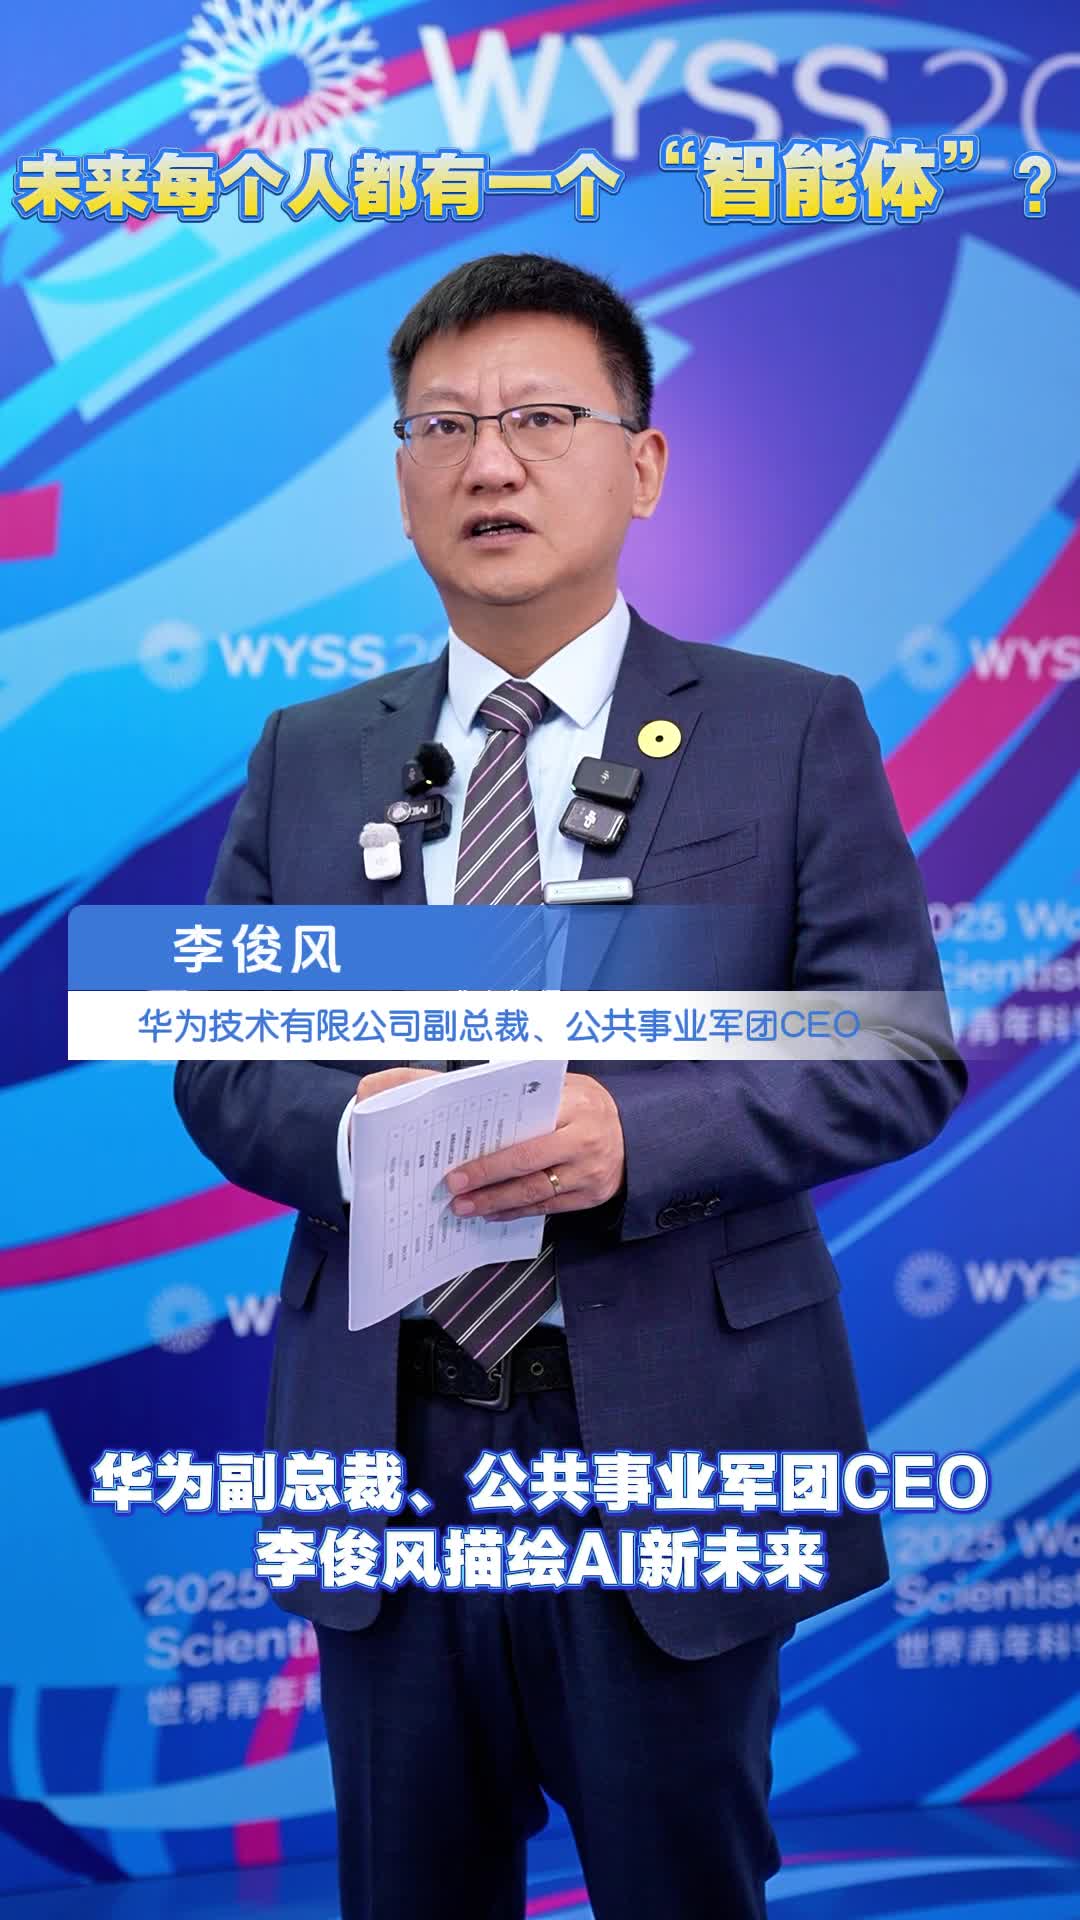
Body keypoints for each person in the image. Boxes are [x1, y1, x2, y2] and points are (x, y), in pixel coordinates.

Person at [174, 251, 966, 1920]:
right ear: (402, 474)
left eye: (541, 418)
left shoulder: (788, 731)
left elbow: (890, 1048)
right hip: (394, 1451)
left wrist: (639, 1135)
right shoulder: (310, 756)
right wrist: (358, 1128)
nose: (491, 463)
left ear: (644, 463)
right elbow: (222, 1064)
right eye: (443, 426)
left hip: (672, 1440)